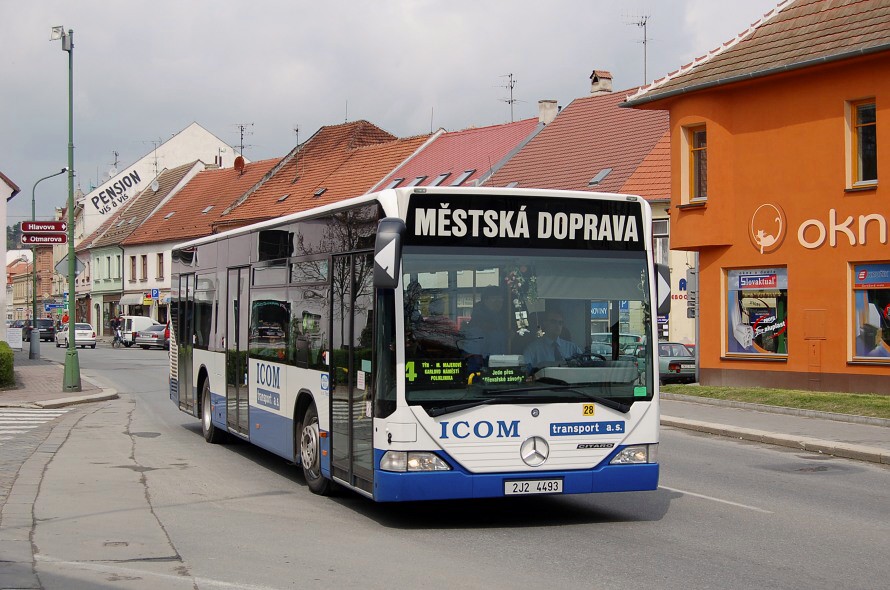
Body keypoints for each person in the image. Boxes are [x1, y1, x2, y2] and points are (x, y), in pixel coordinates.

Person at [462, 286, 508, 370]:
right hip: (483, 368)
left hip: (498, 366)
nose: (498, 302)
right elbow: (473, 356)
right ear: (485, 300)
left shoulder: (500, 319)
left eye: (501, 299)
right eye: (494, 298)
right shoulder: (477, 323)